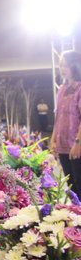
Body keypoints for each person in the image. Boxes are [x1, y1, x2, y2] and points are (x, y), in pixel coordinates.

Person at [51, 51, 81, 197]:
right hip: (63, 145)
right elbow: (58, 116)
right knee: (71, 188)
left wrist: (78, 142)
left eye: (66, 65)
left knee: (79, 185)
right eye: (61, 65)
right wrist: (53, 139)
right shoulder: (61, 89)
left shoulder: (79, 88)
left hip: (76, 144)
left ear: (75, 66)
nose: (62, 69)